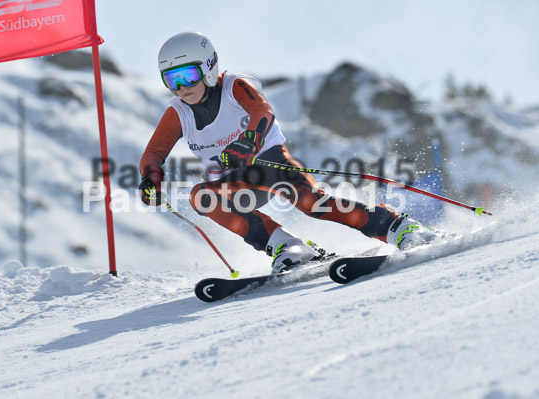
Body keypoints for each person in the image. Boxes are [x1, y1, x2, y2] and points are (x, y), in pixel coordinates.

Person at [139, 32, 438, 273]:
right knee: (202, 196)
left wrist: (247, 143)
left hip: (270, 161)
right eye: (171, 80)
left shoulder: (235, 86)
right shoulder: (178, 112)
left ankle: (397, 226)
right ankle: (287, 246)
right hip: (237, 182)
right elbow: (154, 152)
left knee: (311, 202)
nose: (181, 87)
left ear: (208, 67)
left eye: (188, 75)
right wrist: (151, 177)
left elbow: (261, 111)